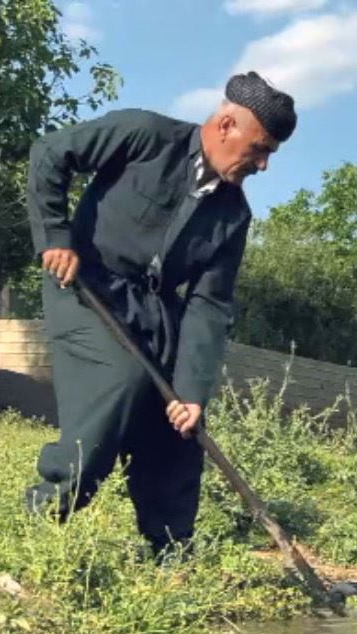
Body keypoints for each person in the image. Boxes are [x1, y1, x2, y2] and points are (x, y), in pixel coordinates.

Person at [23, 72, 296, 556]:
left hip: (154, 310)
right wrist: (56, 238)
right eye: (259, 149)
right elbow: (50, 153)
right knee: (122, 381)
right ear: (226, 125)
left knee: (179, 423)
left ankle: (170, 549)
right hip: (84, 285)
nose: (263, 164)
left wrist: (191, 392)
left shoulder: (234, 215)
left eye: (270, 154)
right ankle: (45, 515)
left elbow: (209, 304)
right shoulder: (144, 134)